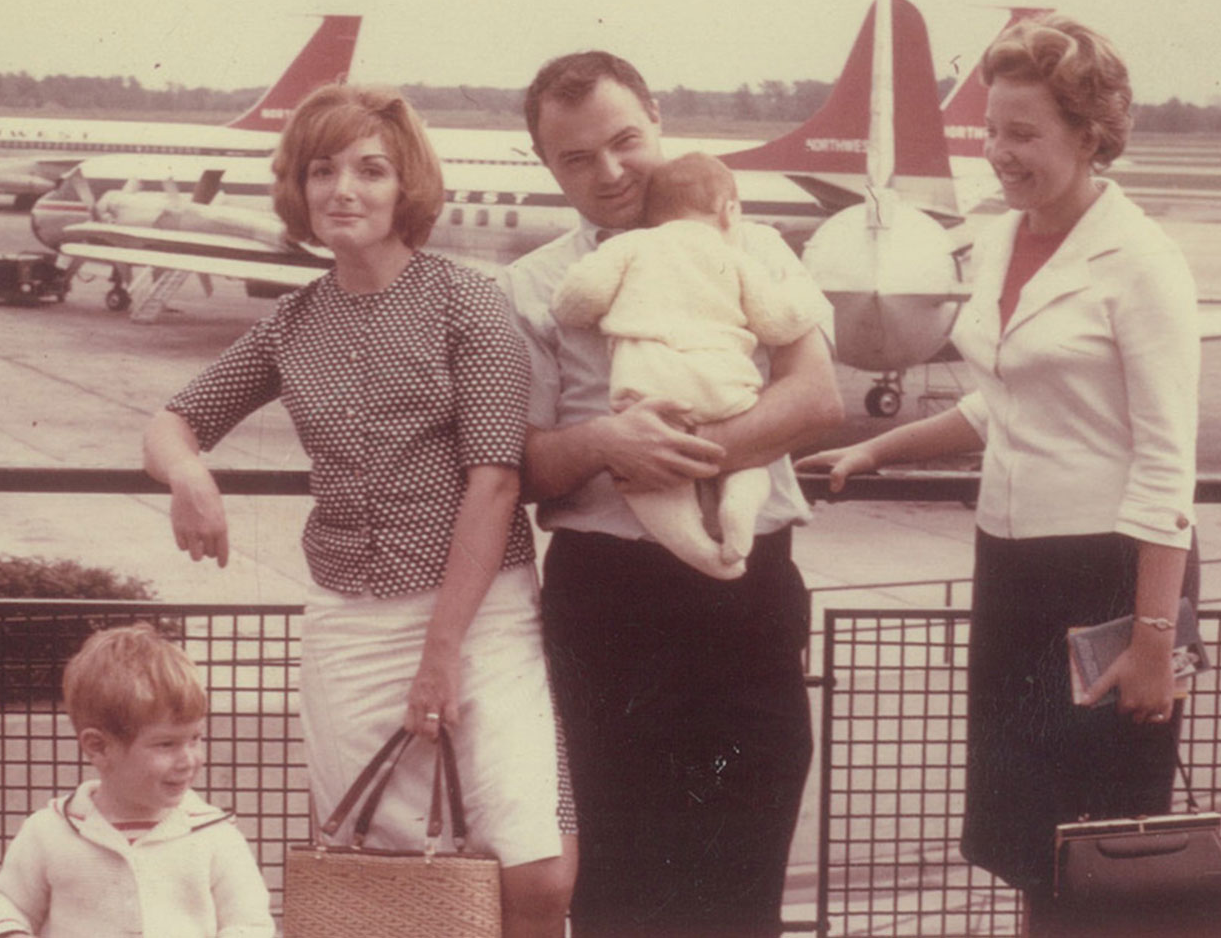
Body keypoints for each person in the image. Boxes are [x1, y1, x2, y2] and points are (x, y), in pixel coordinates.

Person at [142, 83, 575, 938]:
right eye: (322, 170)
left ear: (405, 185)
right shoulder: (294, 321)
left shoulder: (469, 302)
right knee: (373, 868)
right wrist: (189, 475)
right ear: (298, 190)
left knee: (534, 866)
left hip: (479, 611)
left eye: (371, 170)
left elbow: (494, 482)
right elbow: (171, 420)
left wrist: (440, 655)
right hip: (349, 620)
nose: (344, 190)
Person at [800, 15, 1201, 933]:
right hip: (1013, 574)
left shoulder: (1142, 263)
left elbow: (1168, 463)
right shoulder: (996, 242)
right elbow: (999, 403)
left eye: (1024, 134)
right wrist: (876, 449)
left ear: (1089, 135)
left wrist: (1150, 642)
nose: (999, 156)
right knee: (1026, 836)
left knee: (1107, 848)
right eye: (991, 132)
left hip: (1112, 579)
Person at [503, 51, 843, 937]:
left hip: (746, 597)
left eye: (624, 141)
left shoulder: (756, 245)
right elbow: (523, 463)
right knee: (617, 893)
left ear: (656, 119)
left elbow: (817, 398)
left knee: (739, 889)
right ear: (548, 167)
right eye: (576, 158)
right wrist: (603, 442)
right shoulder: (532, 288)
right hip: (607, 606)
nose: (610, 172)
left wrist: (677, 454)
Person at [550, 150, 829, 576]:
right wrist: (805, 292)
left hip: (653, 393)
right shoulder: (738, 258)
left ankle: (699, 550)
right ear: (728, 211)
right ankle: (738, 506)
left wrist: (567, 303)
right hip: (725, 387)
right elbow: (780, 322)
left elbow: (578, 301)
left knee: (653, 488)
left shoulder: (631, 244)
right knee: (752, 465)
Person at [0, 623, 274, 938]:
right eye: (166, 744)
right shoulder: (50, 831)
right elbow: (6, 903)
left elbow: (250, 923)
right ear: (99, 747)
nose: (189, 759)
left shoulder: (215, 835)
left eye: (195, 738)